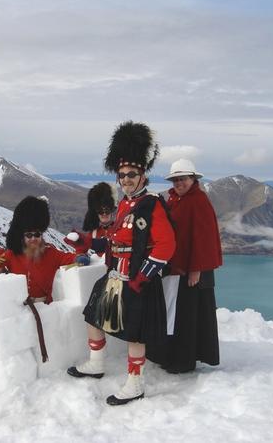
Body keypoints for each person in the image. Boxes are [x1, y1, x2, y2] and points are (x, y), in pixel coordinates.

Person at [67, 121, 176, 406]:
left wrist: (143, 275)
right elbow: (115, 243)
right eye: (122, 175)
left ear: (142, 176)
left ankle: (135, 383)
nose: (126, 179)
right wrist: (86, 242)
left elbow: (167, 245)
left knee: (134, 332)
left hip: (138, 279)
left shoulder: (152, 205)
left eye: (132, 174)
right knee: (93, 315)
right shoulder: (124, 206)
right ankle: (96, 363)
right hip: (115, 276)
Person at [147, 159, 223, 373]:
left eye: (183, 179)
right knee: (178, 315)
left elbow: (204, 238)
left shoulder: (198, 201)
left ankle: (183, 361)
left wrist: (196, 269)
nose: (179, 183)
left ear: (193, 179)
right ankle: (172, 356)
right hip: (178, 267)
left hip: (192, 270)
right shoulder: (175, 200)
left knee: (187, 317)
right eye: (176, 179)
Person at [0, 196, 89, 304]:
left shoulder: (51, 253)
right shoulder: (12, 254)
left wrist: (80, 257)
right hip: (21, 309)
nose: (34, 238)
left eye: (37, 234)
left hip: (45, 308)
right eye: (29, 235)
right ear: (22, 236)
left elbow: (69, 257)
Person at [64, 182, 115, 257]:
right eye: (100, 211)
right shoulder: (93, 233)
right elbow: (82, 249)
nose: (104, 214)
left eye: (107, 211)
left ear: (112, 211)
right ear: (96, 213)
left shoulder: (120, 228)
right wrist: (80, 255)